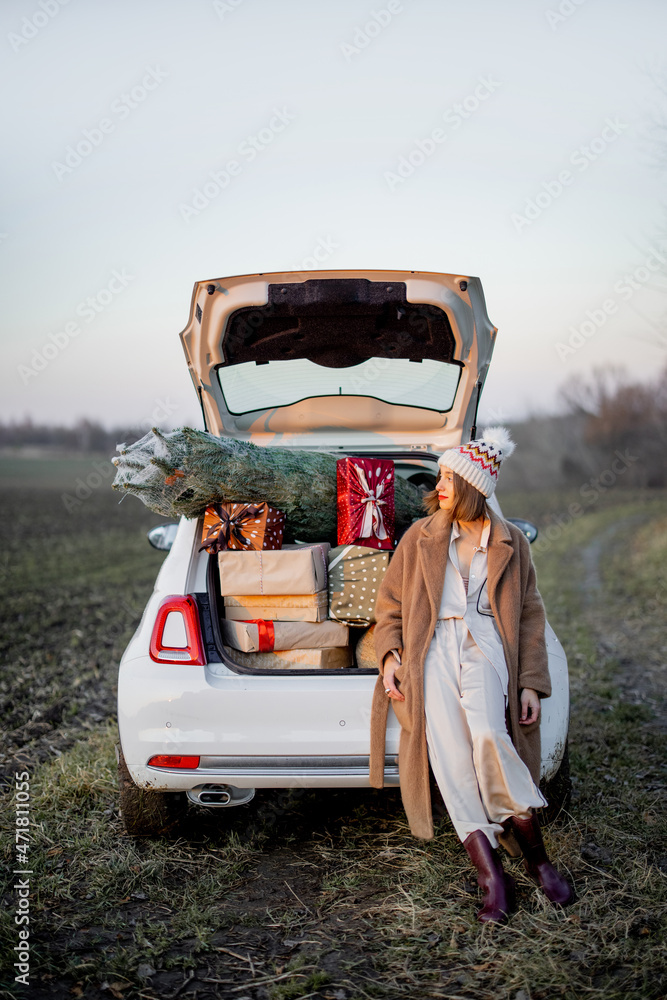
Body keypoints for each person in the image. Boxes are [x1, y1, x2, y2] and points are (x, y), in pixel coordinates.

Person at [369, 427, 574, 923]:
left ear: (472, 485)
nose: (437, 487)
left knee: (488, 735)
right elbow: (390, 605)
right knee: (451, 758)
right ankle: (491, 878)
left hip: (486, 647)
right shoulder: (419, 538)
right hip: (431, 649)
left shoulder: (511, 542)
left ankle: (537, 859)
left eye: (446, 479)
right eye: (438, 477)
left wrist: (530, 681)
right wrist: (392, 655)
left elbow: (528, 613)